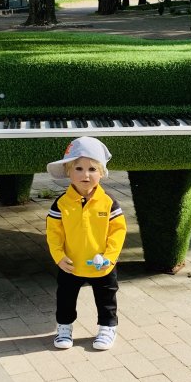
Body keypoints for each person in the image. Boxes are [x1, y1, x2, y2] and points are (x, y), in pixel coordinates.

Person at [45, 136, 127, 351]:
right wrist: (58, 257)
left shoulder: (109, 203)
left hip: (103, 265)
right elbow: (54, 233)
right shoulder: (61, 203)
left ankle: (107, 327)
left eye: (92, 169)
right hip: (70, 263)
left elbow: (118, 232)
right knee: (65, 297)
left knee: (106, 297)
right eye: (79, 168)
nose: (85, 175)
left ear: (101, 173)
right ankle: (64, 327)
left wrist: (109, 257)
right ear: (68, 172)